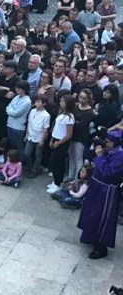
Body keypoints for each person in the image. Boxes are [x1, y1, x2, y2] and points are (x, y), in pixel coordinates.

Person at [78, 129, 123, 259]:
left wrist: (100, 156)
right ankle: (90, 237)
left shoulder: (120, 156)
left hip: (107, 191)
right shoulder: (107, 150)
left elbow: (108, 172)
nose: (105, 144)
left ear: (114, 143)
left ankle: (101, 246)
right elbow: (91, 157)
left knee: (101, 217)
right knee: (91, 213)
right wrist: (96, 148)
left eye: (107, 142)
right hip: (96, 187)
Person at [46, 95, 76, 195]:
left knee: (57, 163)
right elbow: (56, 128)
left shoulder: (69, 117)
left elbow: (69, 134)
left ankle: (58, 183)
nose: (60, 103)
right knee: (53, 162)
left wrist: (58, 143)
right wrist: (52, 139)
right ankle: (55, 181)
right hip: (55, 138)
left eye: (62, 101)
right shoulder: (61, 114)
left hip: (61, 142)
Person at [24, 96, 51, 178]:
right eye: (36, 101)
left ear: (44, 103)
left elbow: (46, 129)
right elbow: (29, 122)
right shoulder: (32, 111)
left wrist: (42, 140)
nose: (36, 103)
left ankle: (34, 170)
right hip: (31, 135)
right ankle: (29, 166)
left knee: (38, 155)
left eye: (38, 102)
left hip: (39, 137)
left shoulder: (46, 115)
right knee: (27, 153)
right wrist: (27, 134)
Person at [5, 81, 32, 162]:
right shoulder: (16, 97)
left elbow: (16, 113)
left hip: (18, 127)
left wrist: (10, 111)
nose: (16, 89)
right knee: (12, 145)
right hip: (10, 124)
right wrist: (10, 110)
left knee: (19, 146)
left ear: (24, 89)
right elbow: (8, 107)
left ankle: (21, 163)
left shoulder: (27, 101)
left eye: (18, 88)